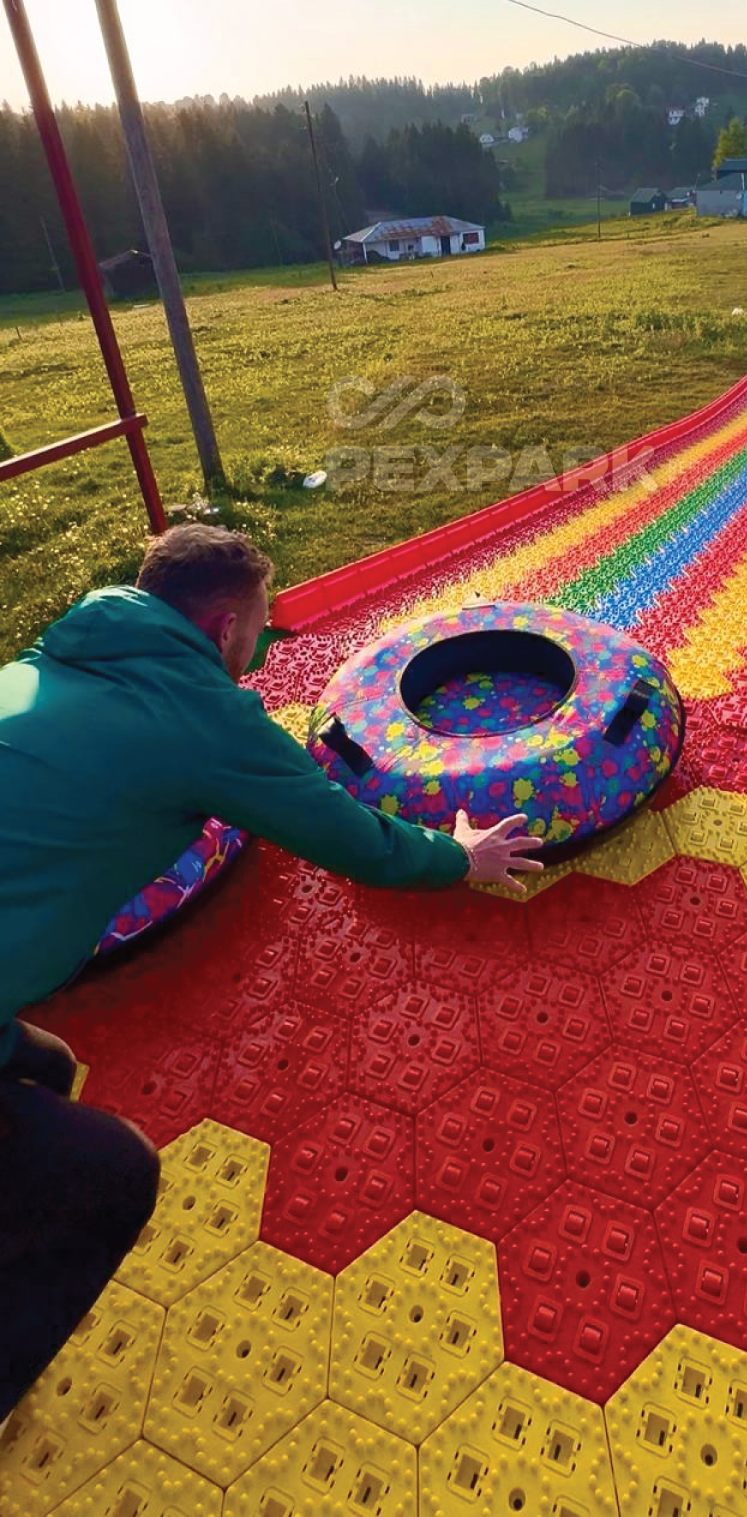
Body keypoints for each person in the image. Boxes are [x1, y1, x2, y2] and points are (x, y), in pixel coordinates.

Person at [0, 524, 542, 1427]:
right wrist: (459, 859)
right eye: (258, 631)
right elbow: (348, 836)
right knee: (115, 1174)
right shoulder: (204, 719)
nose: (258, 650)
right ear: (222, 629)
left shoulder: (53, 657)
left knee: (45, 1064)